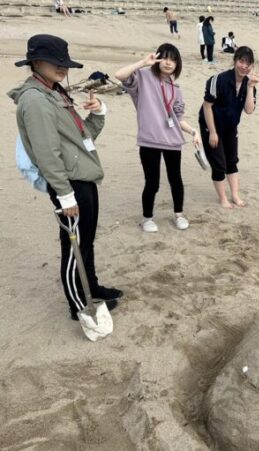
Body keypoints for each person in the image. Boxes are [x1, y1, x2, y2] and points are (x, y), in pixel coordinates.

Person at [8, 34, 122, 321]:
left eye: (65, 63)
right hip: (69, 183)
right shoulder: (35, 99)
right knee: (74, 247)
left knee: (86, 240)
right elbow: (47, 153)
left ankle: (92, 288)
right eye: (55, 62)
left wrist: (99, 112)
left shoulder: (56, 92)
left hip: (83, 179)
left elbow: (82, 139)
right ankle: (79, 305)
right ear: (36, 63)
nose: (62, 68)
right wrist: (65, 194)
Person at [115, 44, 201, 233]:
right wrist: (143, 62)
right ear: (158, 59)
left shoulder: (176, 89)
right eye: (165, 58)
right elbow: (119, 75)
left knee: (175, 179)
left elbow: (178, 118)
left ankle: (179, 214)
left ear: (177, 64)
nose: (168, 63)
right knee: (152, 182)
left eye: (173, 60)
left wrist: (194, 131)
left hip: (173, 141)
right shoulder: (143, 77)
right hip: (150, 140)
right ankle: (147, 218)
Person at [198, 47, 259, 209]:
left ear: (252, 66)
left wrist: (250, 88)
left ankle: (235, 195)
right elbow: (207, 106)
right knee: (219, 164)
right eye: (241, 61)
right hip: (211, 125)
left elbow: (249, 110)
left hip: (230, 127)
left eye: (248, 63)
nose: (244, 66)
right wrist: (212, 132)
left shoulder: (249, 84)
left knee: (232, 161)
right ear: (234, 61)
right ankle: (223, 198)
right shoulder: (218, 80)